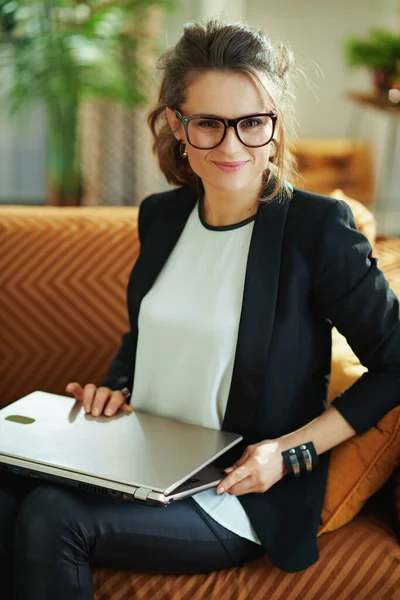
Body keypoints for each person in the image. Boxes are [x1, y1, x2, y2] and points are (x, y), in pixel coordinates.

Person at [1, 18, 400, 600]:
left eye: (252, 123)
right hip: (139, 465)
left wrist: (292, 454)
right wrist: (116, 388)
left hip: (236, 491)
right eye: (209, 124)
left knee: (53, 516)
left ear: (275, 125)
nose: (233, 145)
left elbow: (395, 363)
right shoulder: (162, 217)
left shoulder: (318, 230)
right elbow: (146, 333)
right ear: (176, 126)